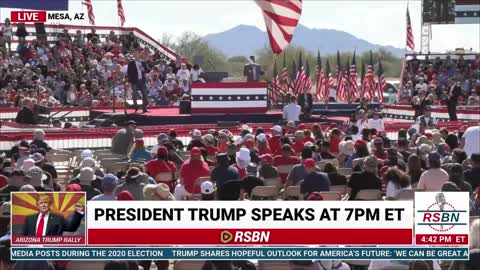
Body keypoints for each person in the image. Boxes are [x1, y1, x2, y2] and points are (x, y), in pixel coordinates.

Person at [127, 48, 149, 113]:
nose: (136, 55)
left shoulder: (143, 62)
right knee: (135, 94)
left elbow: (147, 70)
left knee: (144, 94)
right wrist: (129, 81)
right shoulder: (131, 63)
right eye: (135, 54)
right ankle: (136, 108)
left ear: (139, 54)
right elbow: (129, 73)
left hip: (142, 80)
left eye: (137, 53)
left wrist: (143, 69)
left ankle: (144, 108)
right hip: (134, 81)